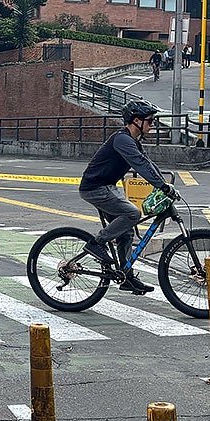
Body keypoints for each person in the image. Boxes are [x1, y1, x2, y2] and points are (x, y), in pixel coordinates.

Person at [76, 99, 171, 294]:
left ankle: (126, 276)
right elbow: (140, 165)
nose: (152, 124)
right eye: (150, 121)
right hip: (95, 188)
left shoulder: (133, 141)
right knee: (132, 214)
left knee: (126, 231)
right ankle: (96, 243)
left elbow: (147, 163)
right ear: (137, 121)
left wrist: (165, 185)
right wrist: (161, 185)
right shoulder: (122, 139)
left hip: (107, 187)